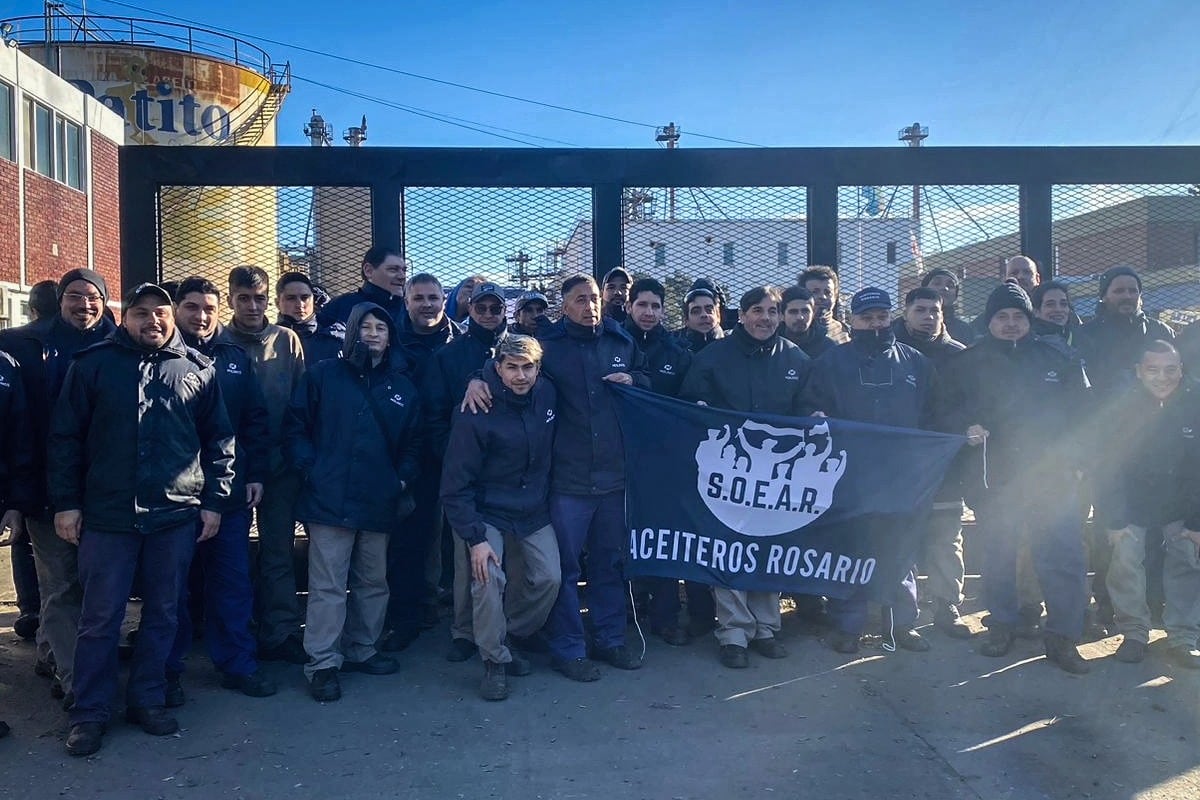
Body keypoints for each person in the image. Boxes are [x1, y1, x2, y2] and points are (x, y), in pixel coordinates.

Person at [49, 283, 235, 756]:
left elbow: (220, 441)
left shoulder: (198, 370)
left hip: (174, 514)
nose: (152, 320)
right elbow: (65, 438)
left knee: (164, 613)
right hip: (108, 517)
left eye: (161, 312)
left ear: (172, 318)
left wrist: (214, 501)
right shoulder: (92, 365)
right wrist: (66, 503)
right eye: (141, 313)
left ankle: (147, 698)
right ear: (125, 317)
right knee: (100, 617)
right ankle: (90, 712)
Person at [465, 274, 649, 681]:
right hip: (567, 481)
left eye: (595, 298)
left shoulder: (621, 341)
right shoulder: (549, 344)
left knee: (610, 563)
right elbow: (509, 365)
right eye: (580, 300)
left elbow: (649, 381)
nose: (591, 306)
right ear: (563, 305)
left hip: (614, 478)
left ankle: (610, 638)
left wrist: (635, 380)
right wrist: (477, 378)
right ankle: (569, 648)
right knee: (566, 569)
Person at [938, 283, 1092, 674]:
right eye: (1001, 317)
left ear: (1030, 319)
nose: (1010, 324)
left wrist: (1076, 461)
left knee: (1062, 558)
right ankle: (1001, 626)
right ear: (989, 321)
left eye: (1018, 316)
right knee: (998, 556)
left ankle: (1063, 637)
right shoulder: (967, 362)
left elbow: (1086, 414)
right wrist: (965, 425)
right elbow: (943, 410)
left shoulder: (1057, 356)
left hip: (1051, 477)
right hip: (996, 480)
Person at [285, 303, 422, 702]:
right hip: (329, 498)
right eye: (366, 326)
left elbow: (414, 441)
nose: (374, 333)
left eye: (382, 327)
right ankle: (323, 662)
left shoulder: (402, 387)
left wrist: (401, 478)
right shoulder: (323, 376)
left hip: (379, 498)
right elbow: (297, 426)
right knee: (327, 584)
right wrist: (309, 467)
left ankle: (363, 648)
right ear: (351, 333)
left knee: (372, 581)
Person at [0, 268, 117, 706]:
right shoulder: (22, 348)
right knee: (61, 586)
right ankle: (76, 682)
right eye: (74, 295)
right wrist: (18, 494)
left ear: (105, 301)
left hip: (106, 492)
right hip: (46, 489)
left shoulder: (124, 346)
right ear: (59, 300)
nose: (83, 304)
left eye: (92, 296)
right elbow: (16, 428)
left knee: (95, 587)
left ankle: (56, 654)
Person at [679, 286, 812, 668]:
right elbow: (691, 402)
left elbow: (808, 405)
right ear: (742, 315)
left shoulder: (796, 359)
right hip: (729, 474)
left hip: (776, 478)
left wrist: (815, 414)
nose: (766, 318)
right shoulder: (712, 357)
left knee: (768, 547)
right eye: (758, 310)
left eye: (773, 311)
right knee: (731, 549)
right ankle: (734, 632)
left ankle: (767, 628)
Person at [807, 288, 937, 654]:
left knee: (901, 550)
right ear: (851, 321)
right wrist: (813, 415)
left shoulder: (916, 363)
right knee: (850, 550)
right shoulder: (831, 363)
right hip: (849, 477)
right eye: (866, 318)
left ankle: (902, 625)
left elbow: (933, 416)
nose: (875, 324)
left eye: (881, 317)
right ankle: (849, 625)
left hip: (903, 477)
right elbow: (810, 404)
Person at [168, 278, 277, 702]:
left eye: (209, 308)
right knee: (171, 589)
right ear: (177, 308)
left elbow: (254, 419)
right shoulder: (158, 356)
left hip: (227, 491)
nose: (201, 315)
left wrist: (256, 474)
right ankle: (167, 670)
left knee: (231, 582)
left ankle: (237, 664)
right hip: (173, 495)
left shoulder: (234, 358)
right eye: (192, 307)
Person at [441, 336, 562, 700]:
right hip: (486, 510)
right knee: (487, 576)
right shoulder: (474, 407)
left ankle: (508, 632)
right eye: (511, 367)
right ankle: (494, 660)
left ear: (539, 369)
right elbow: (455, 484)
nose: (520, 376)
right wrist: (475, 538)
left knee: (549, 578)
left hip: (533, 509)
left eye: (528, 367)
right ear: (497, 368)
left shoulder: (548, 395)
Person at [217, 266, 308, 665]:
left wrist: (293, 456)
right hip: (224, 469)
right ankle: (226, 630)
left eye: (259, 298)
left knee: (278, 552)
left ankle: (281, 630)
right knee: (225, 555)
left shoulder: (286, 341)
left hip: (278, 467)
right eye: (243, 298)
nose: (252, 306)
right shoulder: (216, 342)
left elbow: (302, 404)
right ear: (231, 299)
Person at [1096, 341, 1200, 670]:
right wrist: (1114, 518)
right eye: (1152, 370)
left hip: (1182, 507)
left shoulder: (1194, 403)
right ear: (1139, 372)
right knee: (1126, 565)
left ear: (1181, 370)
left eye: (1170, 369)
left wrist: (1197, 521)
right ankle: (1134, 632)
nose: (1162, 377)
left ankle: (1183, 636)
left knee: (1186, 566)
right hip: (1133, 506)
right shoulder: (1121, 408)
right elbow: (1108, 465)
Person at [426, 281, 512, 662]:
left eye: (496, 308)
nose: (490, 315)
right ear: (469, 310)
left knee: (508, 559)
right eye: (483, 308)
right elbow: (434, 413)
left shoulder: (520, 348)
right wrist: (450, 457)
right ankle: (464, 630)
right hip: (466, 467)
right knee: (467, 557)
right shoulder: (449, 355)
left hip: (512, 468)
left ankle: (504, 625)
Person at [622, 278, 711, 645]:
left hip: (664, 461)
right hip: (619, 457)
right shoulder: (614, 344)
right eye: (642, 304)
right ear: (629, 306)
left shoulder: (677, 353)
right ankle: (625, 609)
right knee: (622, 538)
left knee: (662, 538)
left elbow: (689, 401)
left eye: (656, 306)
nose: (649, 312)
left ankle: (664, 615)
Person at [385, 272, 459, 652]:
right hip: (413, 454)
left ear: (444, 300)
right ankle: (409, 615)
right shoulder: (393, 344)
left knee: (458, 536)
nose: (427, 304)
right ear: (407, 302)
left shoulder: (461, 340)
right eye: (419, 298)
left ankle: (458, 614)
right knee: (412, 537)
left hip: (460, 452)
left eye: (434, 297)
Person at [890, 287, 970, 638]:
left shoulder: (959, 356)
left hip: (946, 464)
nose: (928, 316)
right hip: (898, 464)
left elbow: (973, 404)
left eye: (934, 310)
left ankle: (946, 605)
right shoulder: (889, 352)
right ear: (905, 312)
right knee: (900, 537)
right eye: (920, 309)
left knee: (946, 537)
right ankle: (899, 611)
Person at [1075, 266, 1175, 396]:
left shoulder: (1161, 332)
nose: (1127, 296)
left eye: (1133, 291)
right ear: (1104, 296)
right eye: (1119, 291)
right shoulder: (1085, 335)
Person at [318, 246, 410, 327]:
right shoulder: (340, 306)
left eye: (404, 270)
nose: (402, 276)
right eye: (393, 269)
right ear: (368, 271)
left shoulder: (409, 308)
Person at [275, 271, 343, 365]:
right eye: (291, 298)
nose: (299, 305)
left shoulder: (334, 338)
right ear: (277, 303)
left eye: (305, 297)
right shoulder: (269, 339)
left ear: (313, 300)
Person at [780, 284, 840, 359]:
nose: (800, 317)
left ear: (813, 313)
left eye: (805, 311)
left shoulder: (827, 348)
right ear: (782, 315)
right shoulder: (772, 345)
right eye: (793, 312)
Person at [798, 266, 851, 346]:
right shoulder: (793, 329)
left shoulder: (845, 332)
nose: (822, 297)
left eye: (827, 292)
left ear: (835, 296)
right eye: (815, 292)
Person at [921, 268, 974, 344]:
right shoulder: (903, 325)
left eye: (950, 285)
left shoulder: (964, 330)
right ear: (924, 289)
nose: (944, 288)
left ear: (956, 296)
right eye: (937, 283)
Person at [675, 285, 725, 352]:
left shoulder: (733, 347)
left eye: (709, 310)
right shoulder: (674, 350)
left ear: (718, 316)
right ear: (686, 320)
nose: (704, 315)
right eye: (696, 312)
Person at [1030, 281, 1078, 350]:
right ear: (1036, 311)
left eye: (1063, 304)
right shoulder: (1031, 343)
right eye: (1050, 304)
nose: (1058, 309)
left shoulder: (1080, 337)